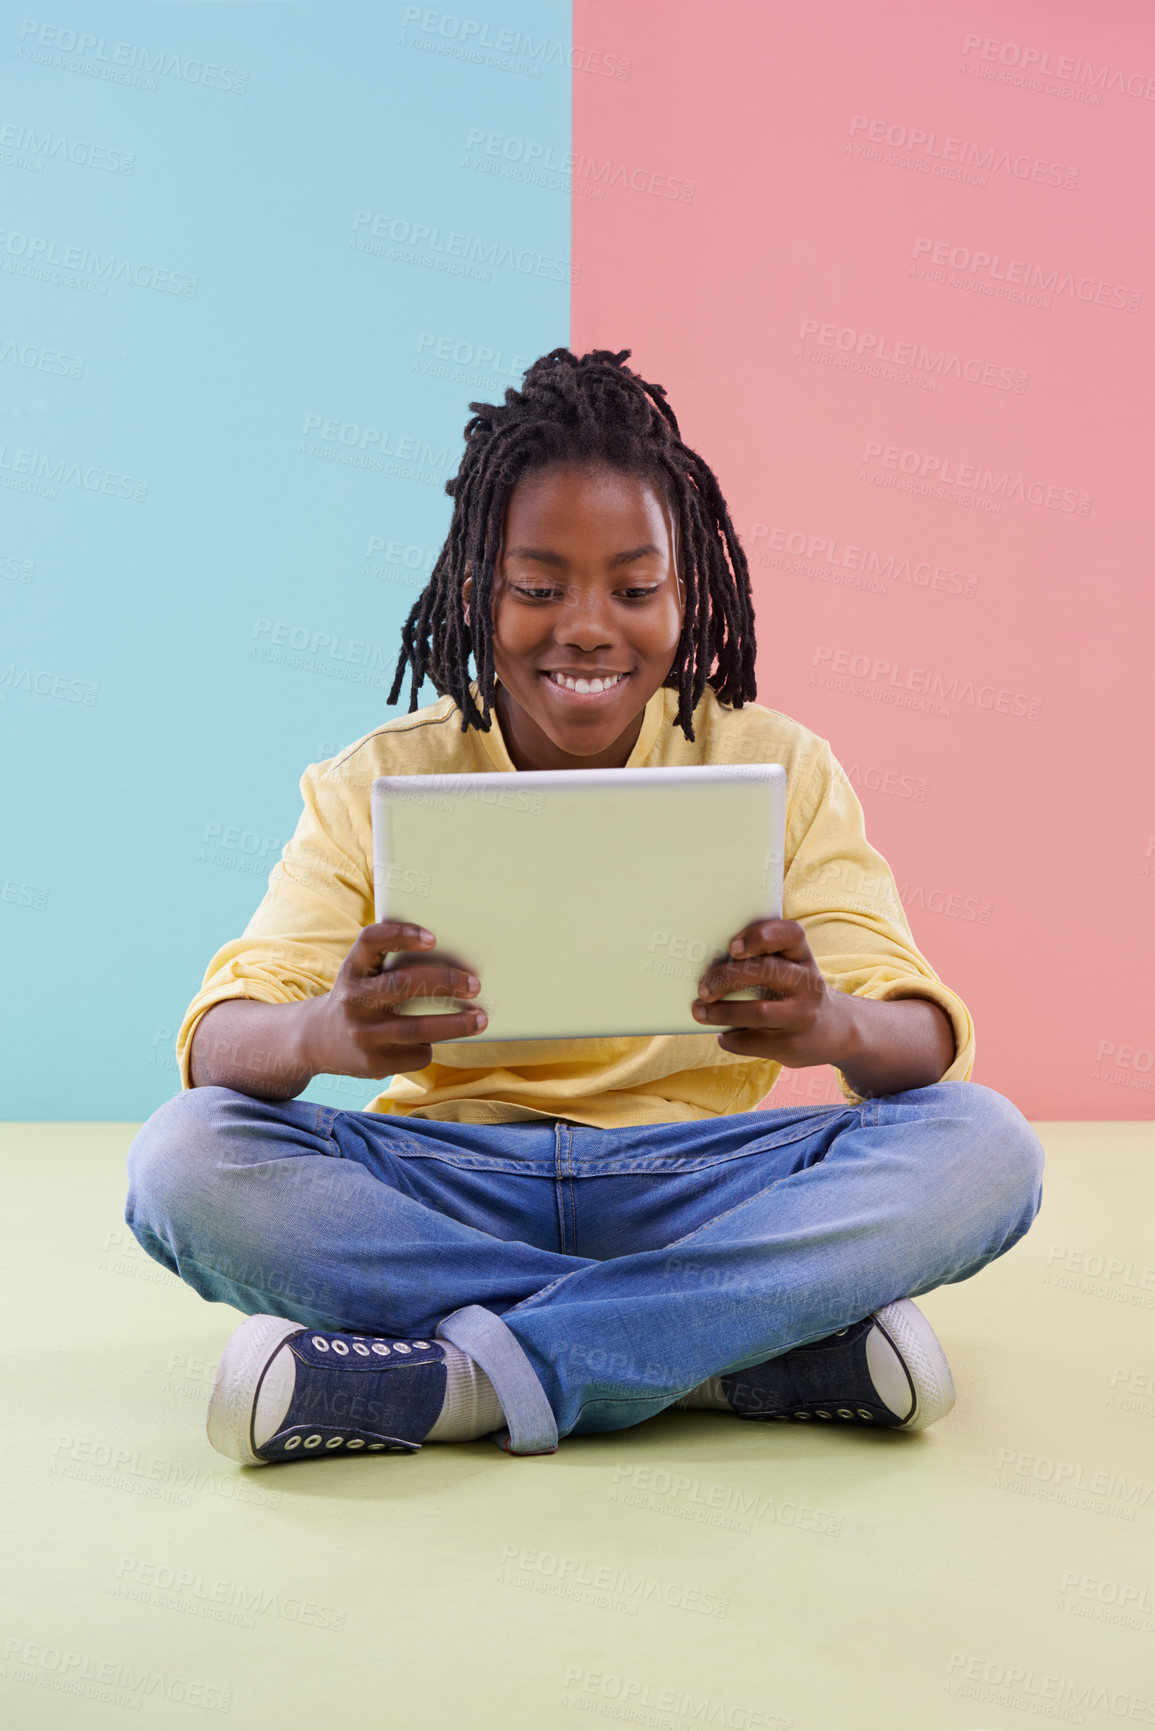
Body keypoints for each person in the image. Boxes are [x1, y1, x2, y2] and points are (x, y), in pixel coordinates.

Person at [124, 347, 1045, 1466]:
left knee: (984, 1145)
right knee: (184, 1159)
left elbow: (920, 1046)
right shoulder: (379, 779)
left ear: (685, 589)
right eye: (540, 586)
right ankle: (724, 1350)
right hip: (453, 1182)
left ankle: (463, 1380)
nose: (591, 627)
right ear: (477, 589)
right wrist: (326, 1031)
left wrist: (824, 1023)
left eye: (635, 586)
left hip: (699, 1180)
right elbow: (222, 1042)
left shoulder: (775, 765)